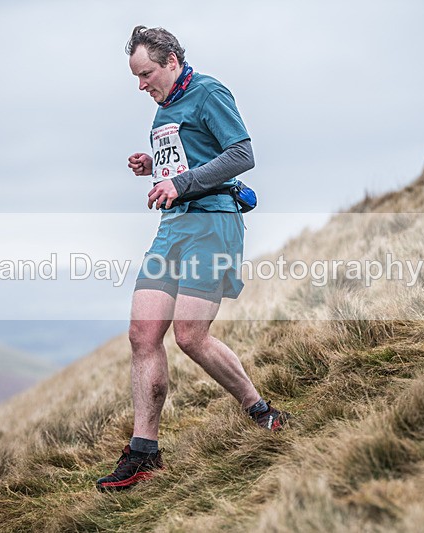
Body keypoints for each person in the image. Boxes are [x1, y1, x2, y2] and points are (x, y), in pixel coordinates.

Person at [96, 26, 290, 492]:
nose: (141, 86)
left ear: (172, 61)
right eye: (137, 78)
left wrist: (178, 184)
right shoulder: (163, 109)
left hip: (213, 224)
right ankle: (145, 453)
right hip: (173, 227)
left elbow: (241, 153)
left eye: (146, 75)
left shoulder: (208, 92)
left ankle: (260, 411)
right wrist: (155, 166)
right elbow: (185, 162)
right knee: (143, 334)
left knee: (190, 335)